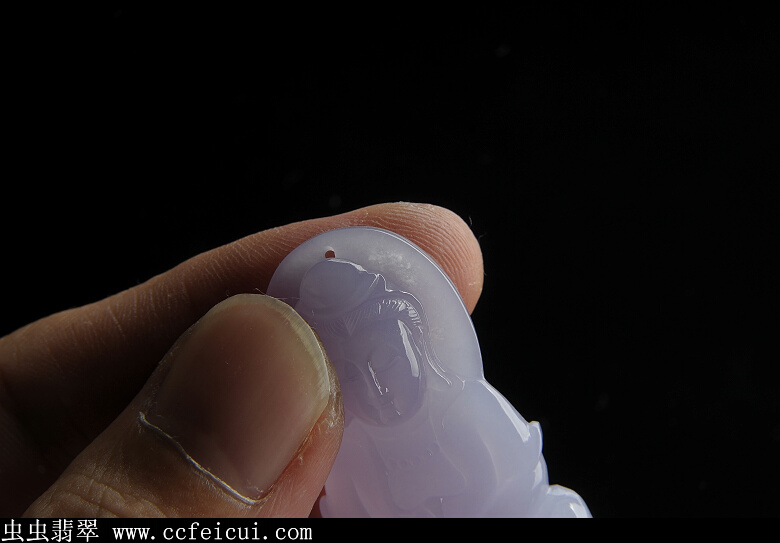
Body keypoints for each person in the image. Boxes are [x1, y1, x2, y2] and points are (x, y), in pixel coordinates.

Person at [0, 202, 485, 518]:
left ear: (419, 346)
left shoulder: (467, 415)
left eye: (388, 360)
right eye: (355, 379)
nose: (378, 393)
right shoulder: (351, 464)